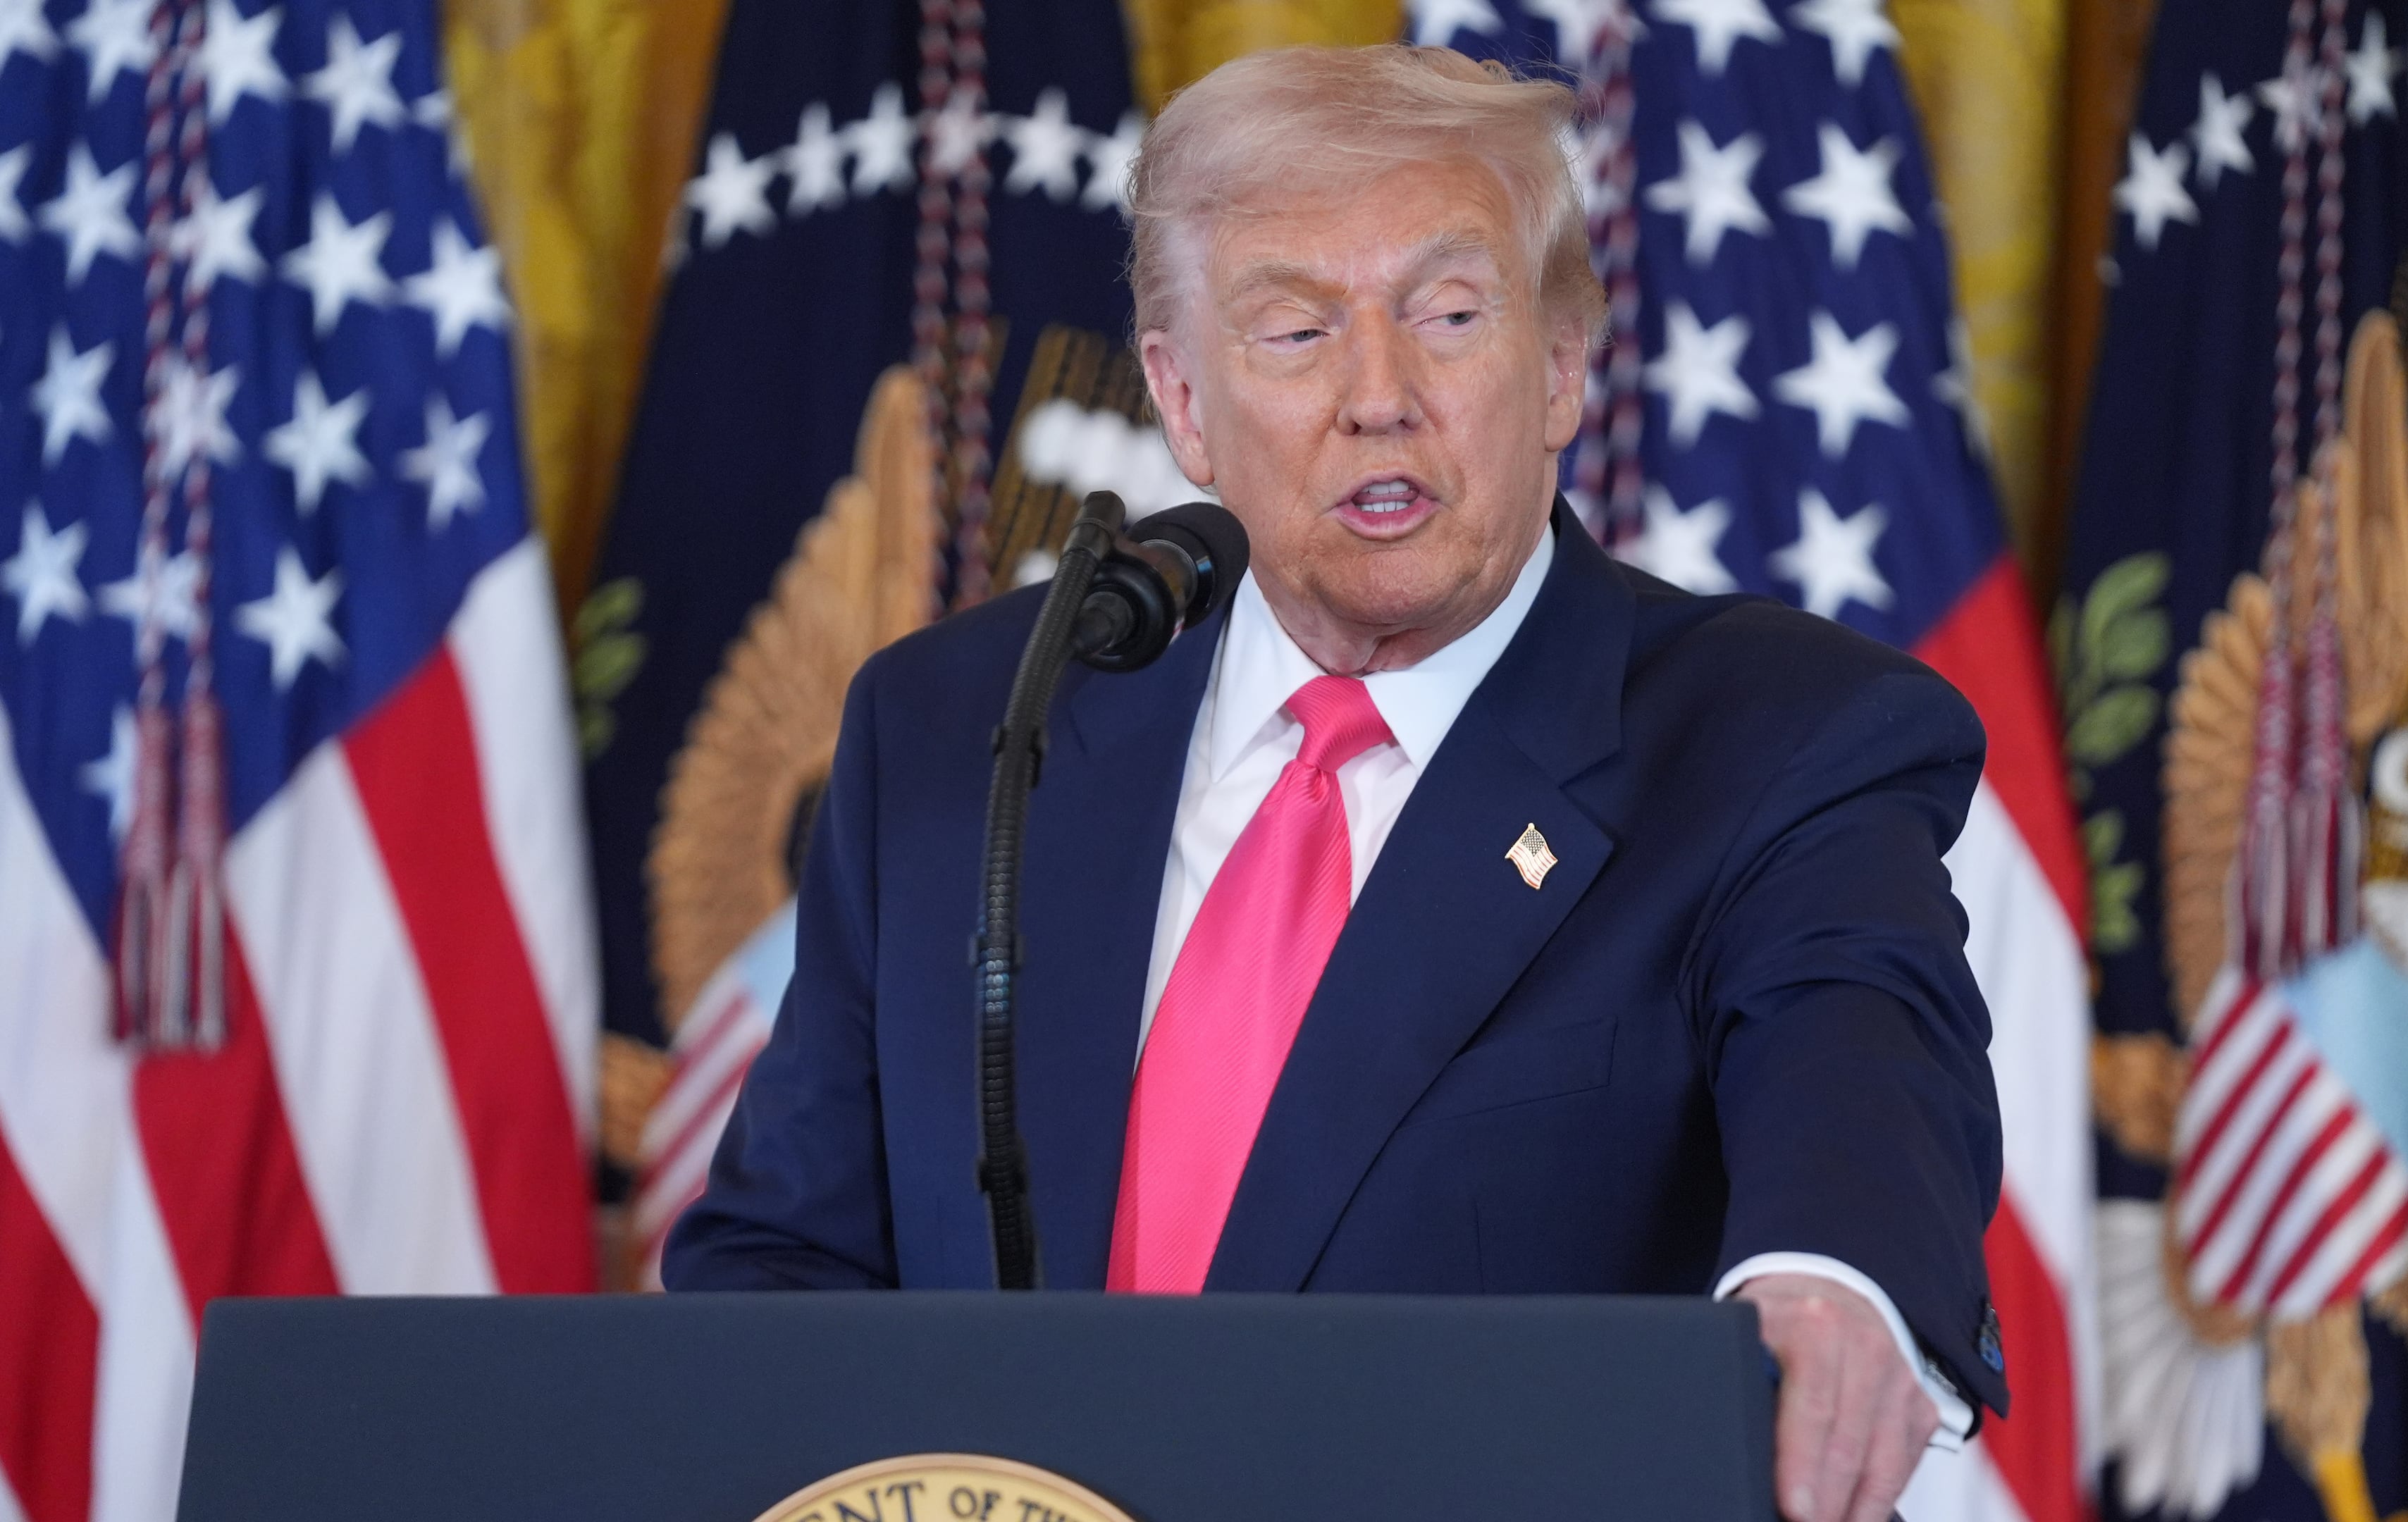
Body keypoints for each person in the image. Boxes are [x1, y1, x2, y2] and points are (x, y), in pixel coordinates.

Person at [665, 44, 2007, 1522]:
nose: (1382, 395)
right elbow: (781, 1276)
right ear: (1181, 400)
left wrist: (1834, 1285)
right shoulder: (962, 731)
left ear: (1560, 363)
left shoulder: (1777, 740)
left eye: (1447, 313)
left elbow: (1864, 1053)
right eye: (1295, 333)